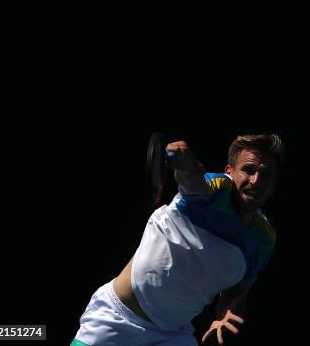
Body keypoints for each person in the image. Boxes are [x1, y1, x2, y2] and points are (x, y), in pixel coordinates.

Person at [71, 134, 284, 346]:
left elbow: (236, 293)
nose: (256, 181)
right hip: (115, 321)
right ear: (229, 171)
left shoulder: (263, 241)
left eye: (265, 175)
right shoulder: (216, 190)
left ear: (273, 184)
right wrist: (185, 163)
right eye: (248, 170)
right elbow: (193, 180)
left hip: (173, 335)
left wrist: (225, 314)